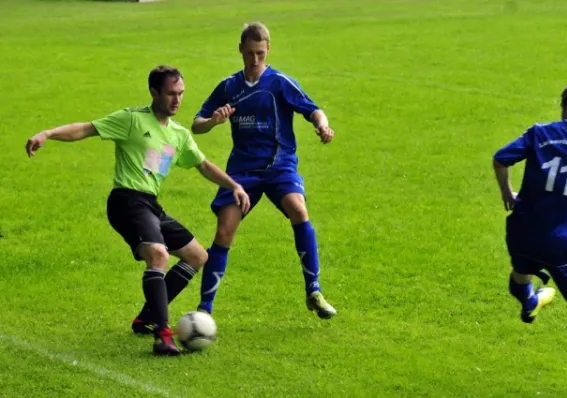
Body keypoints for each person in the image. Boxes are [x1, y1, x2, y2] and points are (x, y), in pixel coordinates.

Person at [25, 65, 251, 356]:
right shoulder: (132, 120)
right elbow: (86, 129)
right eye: (171, 93)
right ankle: (163, 333)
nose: (177, 100)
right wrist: (47, 133)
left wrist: (234, 185)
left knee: (198, 256)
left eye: (181, 93)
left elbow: (204, 165)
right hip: (126, 201)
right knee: (158, 255)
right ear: (154, 93)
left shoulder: (179, 135)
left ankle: (146, 317)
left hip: (151, 205)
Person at [191, 22, 337, 319]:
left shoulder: (280, 82)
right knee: (224, 232)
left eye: (260, 53)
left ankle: (314, 290)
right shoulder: (229, 86)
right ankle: (204, 310)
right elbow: (196, 124)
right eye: (249, 54)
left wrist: (322, 125)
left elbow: (313, 109)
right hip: (242, 173)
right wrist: (213, 122)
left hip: (280, 166)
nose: (254, 60)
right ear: (240, 50)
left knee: (298, 209)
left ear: (268, 49)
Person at [493, 80, 567, 395]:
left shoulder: (540, 132)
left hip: (522, 230)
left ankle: (530, 302)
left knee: (521, 272)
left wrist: (507, 194)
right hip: (563, 245)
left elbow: (500, 158)